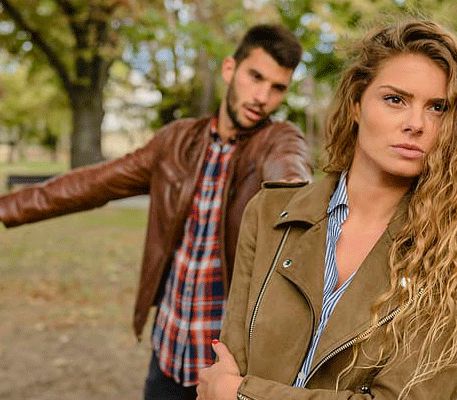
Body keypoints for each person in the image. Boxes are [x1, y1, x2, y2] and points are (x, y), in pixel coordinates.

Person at [196, 18, 457, 400]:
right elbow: (231, 362)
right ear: (357, 105)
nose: (416, 124)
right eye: (395, 100)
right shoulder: (269, 212)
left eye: (438, 108)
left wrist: (244, 395)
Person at [0, 24, 312, 399]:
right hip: (168, 351)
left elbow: (291, 178)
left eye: (277, 87)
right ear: (230, 69)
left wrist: (295, 199)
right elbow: (93, 183)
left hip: (226, 370)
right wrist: (6, 208)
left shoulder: (278, 141)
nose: (262, 97)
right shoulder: (175, 141)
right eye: (255, 77)